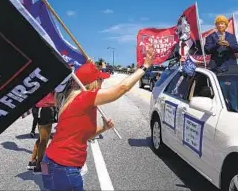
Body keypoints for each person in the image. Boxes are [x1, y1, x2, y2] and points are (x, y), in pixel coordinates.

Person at [40, 46, 155, 191]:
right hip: (65, 167)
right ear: (93, 82)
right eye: (100, 79)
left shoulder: (70, 98)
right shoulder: (85, 98)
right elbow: (122, 88)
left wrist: (104, 128)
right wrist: (145, 66)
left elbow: (83, 136)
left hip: (49, 163)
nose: (102, 82)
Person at [27, 92, 58, 173]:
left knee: (41, 139)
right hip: (46, 109)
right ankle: (40, 167)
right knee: (44, 141)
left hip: (39, 109)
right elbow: (51, 99)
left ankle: (32, 162)